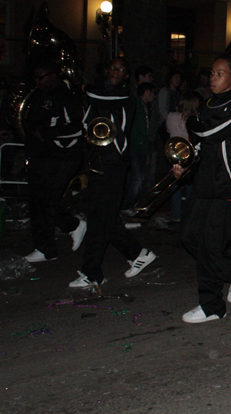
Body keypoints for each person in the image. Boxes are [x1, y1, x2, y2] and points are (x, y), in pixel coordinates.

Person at [176, 57, 231, 324]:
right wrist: (185, 165)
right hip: (204, 183)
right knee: (188, 236)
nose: (213, 77)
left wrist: (190, 124)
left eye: (220, 73)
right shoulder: (208, 104)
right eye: (211, 72)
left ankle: (212, 307)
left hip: (226, 186)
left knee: (210, 246)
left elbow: (210, 133)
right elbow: (200, 146)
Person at [70, 57, 157, 289]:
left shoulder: (127, 96)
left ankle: (92, 272)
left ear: (127, 75)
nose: (116, 71)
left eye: (121, 68)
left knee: (99, 219)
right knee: (102, 215)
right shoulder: (97, 92)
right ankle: (138, 253)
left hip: (115, 163)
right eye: (113, 67)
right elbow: (87, 120)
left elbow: (105, 102)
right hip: (97, 161)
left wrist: (86, 87)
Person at [23, 61, 87, 263]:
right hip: (41, 156)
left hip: (63, 157)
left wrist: (46, 134)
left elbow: (79, 127)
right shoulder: (38, 95)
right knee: (36, 202)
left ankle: (73, 225)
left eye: (40, 77)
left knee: (47, 201)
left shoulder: (66, 96)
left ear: (52, 76)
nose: (36, 82)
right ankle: (45, 249)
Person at [120, 66, 155, 214]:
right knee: (137, 178)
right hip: (136, 148)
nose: (153, 97)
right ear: (146, 93)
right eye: (152, 93)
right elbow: (138, 129)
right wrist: (141, 146)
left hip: (140, 148)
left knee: (139, 178)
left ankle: (134, 204)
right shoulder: (137, 106)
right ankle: (128, 205)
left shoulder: (144, 107)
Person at [165, 91, 200, 221]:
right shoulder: (194, 119)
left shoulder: (171, 116)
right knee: (190, 185)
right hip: (189, 155)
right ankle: (189, 215)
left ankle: (176, 215)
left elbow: (169, 131)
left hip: (174, 154)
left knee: (175, 185)